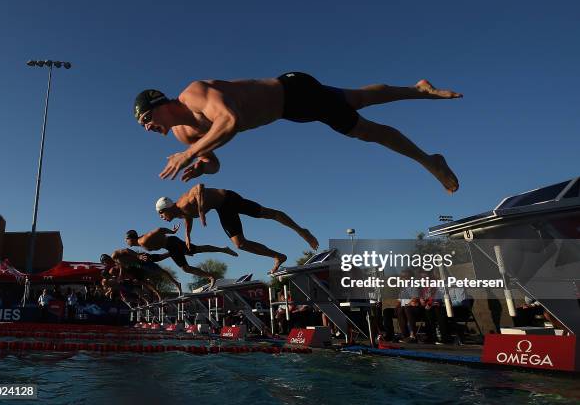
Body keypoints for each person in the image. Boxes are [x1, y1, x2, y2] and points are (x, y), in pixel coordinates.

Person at [134, 73, 461, 193]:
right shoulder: (183, 136)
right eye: (142, 126)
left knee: (363, 129)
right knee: (360, 98)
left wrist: (189, 155)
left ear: (162, 102)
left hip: (292, 90)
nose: (147, 127)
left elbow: (229, 121)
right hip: (291, 110)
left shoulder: (194, 93)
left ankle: (429, 160)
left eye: (147, 118)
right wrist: (204, 166)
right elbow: (215, 162)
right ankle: (418, 89)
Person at [155, 184, 319, 273]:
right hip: (223, 209)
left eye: (161, 214)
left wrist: (201, 210)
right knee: (240, 244)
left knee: (268, 214)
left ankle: (301, 231)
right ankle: (278, 256)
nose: (161, 217)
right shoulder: (179, 213)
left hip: (228, 198)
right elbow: (188, 218)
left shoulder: (183, 203)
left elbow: (198, 187)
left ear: (167, 208)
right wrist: (188, 238)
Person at [125, 227, 238, 289]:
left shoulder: (143, 240)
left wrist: (172, 231)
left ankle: (211, 275)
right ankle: (223, 250)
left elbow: (159, 230)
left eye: (126, 239)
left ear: (131, 238)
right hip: (172, 246)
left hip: (172, 244)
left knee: (187, 266)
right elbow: (160, 255)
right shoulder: (141, 244)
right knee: (197, 252)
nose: (126, 241)